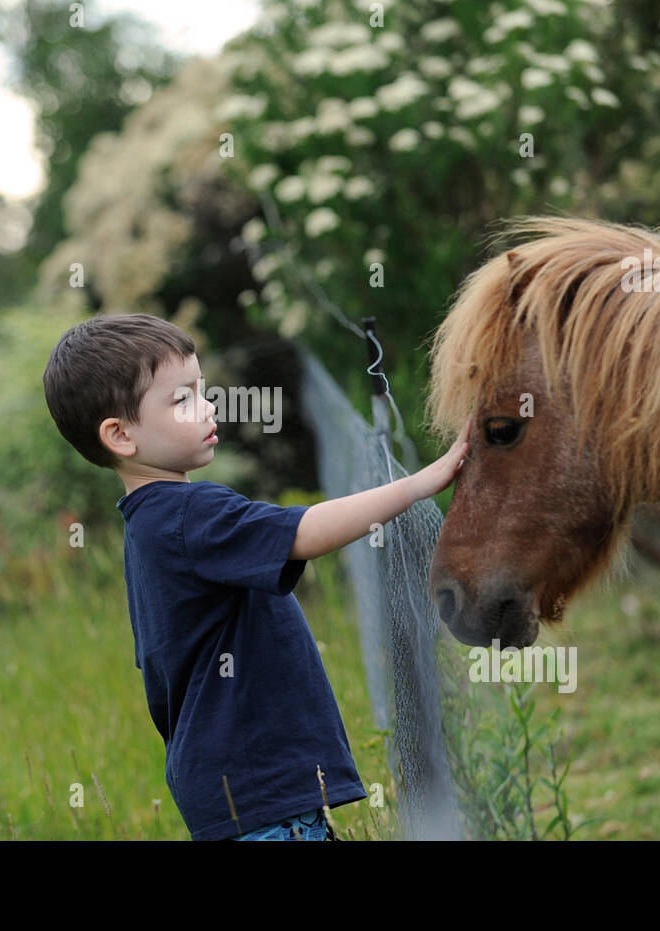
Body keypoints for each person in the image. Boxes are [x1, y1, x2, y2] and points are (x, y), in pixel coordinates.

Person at [43, 313, 470, 841]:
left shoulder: (148, 524)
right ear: (120, 435)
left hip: (240, 799)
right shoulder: (188, 515)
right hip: (266, 803)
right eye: (182, 400)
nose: (208, 406)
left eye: (201, 390)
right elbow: (307, 531)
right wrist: (420, 484)